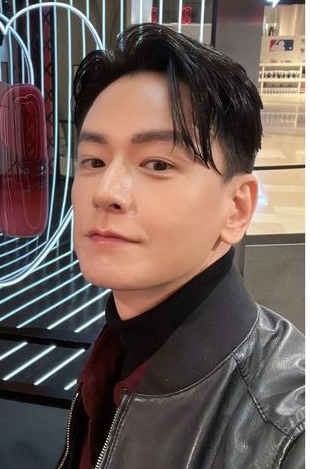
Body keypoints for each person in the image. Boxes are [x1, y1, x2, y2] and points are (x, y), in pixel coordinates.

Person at [57, 24, 304, 468]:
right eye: (94, 160)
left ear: (236, 208)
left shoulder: (288, 431)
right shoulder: (116, 351)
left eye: (157, 164)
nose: (106, 191)